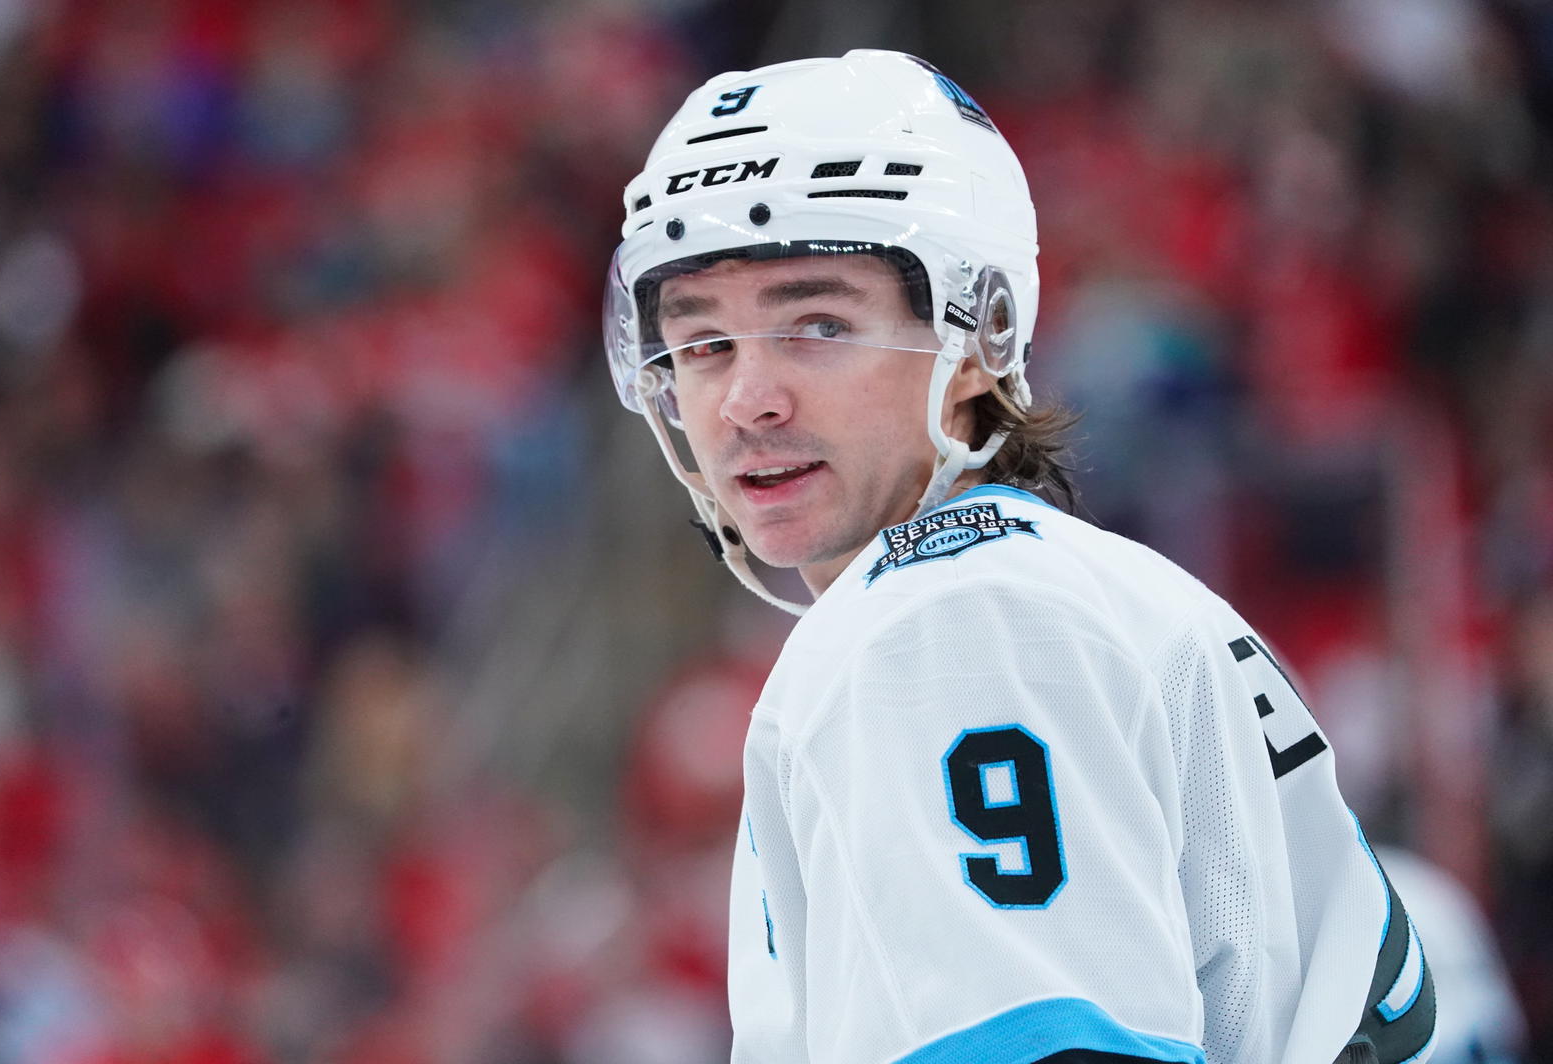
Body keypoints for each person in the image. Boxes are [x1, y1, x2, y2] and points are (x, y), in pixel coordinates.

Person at [602, 49, 1437, 1064]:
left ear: (974, 340)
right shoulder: (1036, 590)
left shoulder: (946, 622)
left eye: (815, 324)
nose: (746, 399)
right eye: (702, 344)